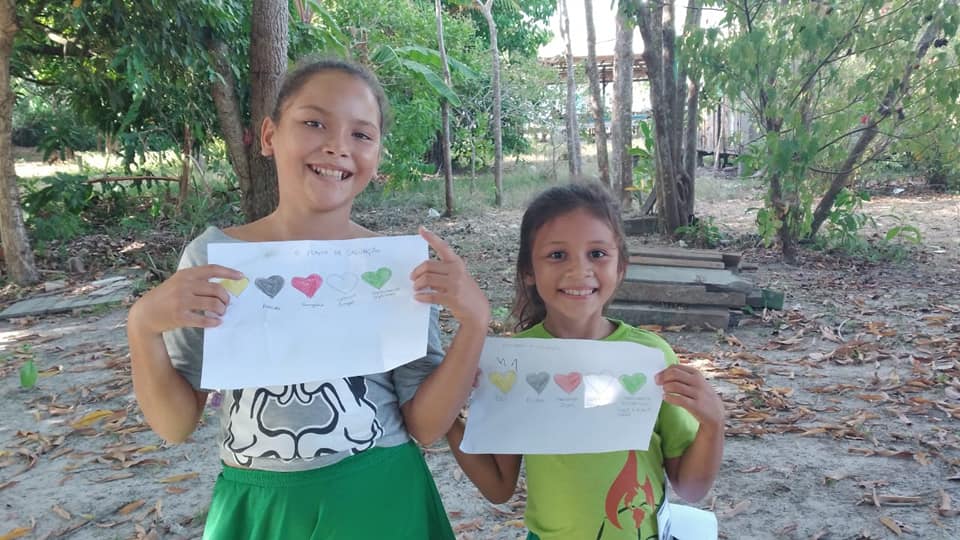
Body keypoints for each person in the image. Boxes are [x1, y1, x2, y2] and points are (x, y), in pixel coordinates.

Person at [126, 58, 490, 539]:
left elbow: (425, 425)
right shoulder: (214, 259)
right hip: (261, 508)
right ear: (271, 134)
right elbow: (175, 424)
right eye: (314, 122)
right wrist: (143, 324)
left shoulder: (393, 268)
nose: (338, 145)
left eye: (362, 134)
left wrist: (476, 322)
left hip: (380, 499)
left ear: (378, 155)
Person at [446, 182, 724, 540]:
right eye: (557, 255)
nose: (580, 271)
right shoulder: (514, 364)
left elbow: (691, 487)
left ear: (621, 266)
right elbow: (499, 486)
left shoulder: (651, 358)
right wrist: (449, 416)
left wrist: (713, 424)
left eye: (597, 254)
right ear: (528, 270)